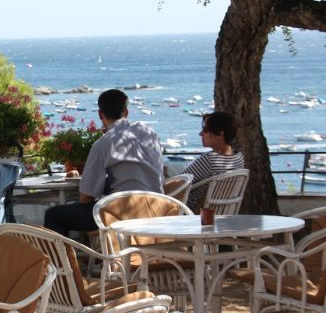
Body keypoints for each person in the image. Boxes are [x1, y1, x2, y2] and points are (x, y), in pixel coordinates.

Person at [44, 89, 164, 236]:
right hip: (159, 209)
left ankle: (61, 259)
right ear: (126, 112)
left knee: (54, 215)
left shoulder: (104, 143)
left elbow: (86, 196)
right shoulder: (149, 133)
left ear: (100, 115)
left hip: (125, 214)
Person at [182, 111, 245, 212]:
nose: (200, 134)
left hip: (191, 214)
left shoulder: (209, 160)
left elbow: (179, 183)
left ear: (220, 134)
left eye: (205, 130)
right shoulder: (238, 158)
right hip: (220, 214)